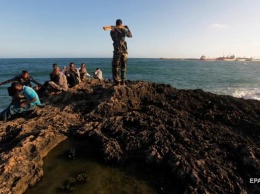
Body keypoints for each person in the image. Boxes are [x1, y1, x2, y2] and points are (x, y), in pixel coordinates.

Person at [110, 19, 132, 86]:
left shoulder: (112, 31)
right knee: (123, 68)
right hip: (124, 52)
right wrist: (127, 28)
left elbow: (113, 38)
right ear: (121, 24)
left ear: (116, 24)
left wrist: (115, 29)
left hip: (117, 52)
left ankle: (117, 82)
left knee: (116, 67)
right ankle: (123, 82)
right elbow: (130, 35)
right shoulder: (124, 30)